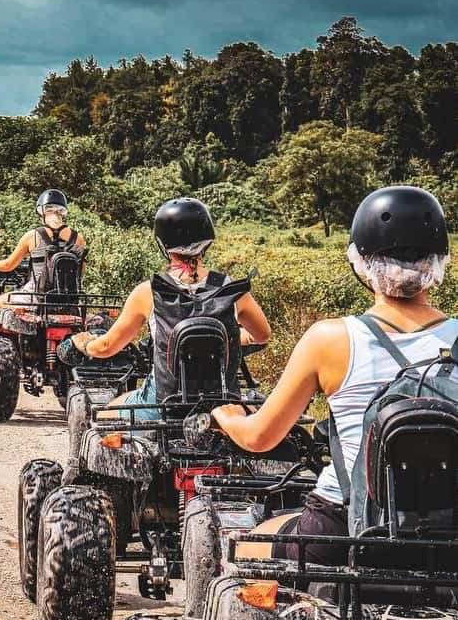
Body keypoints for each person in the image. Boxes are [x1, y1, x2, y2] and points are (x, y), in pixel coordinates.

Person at [212, 185, 455, 566]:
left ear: (361, 262)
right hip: (449, 533)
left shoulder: (330, 338)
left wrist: (228, 418)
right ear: (439, 261)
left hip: (345, 525)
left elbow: (259, 437)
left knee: (242, 548)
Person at [69, 197, 271, 413]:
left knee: (107, 414)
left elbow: (107, 347)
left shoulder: (148, 292)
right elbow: (262, 335)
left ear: (163, 243)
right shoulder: (231, 289)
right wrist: (235, 337)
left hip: (164, 404)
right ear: (208, 240)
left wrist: (84, 344)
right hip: (224, 405)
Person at [0, 189, 87, 310]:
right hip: (69, 300)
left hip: (37, 297)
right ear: (63, 212)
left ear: (42, 212)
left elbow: (8, 265)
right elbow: (81, 272)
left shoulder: (32, 236)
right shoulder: (78, 238)